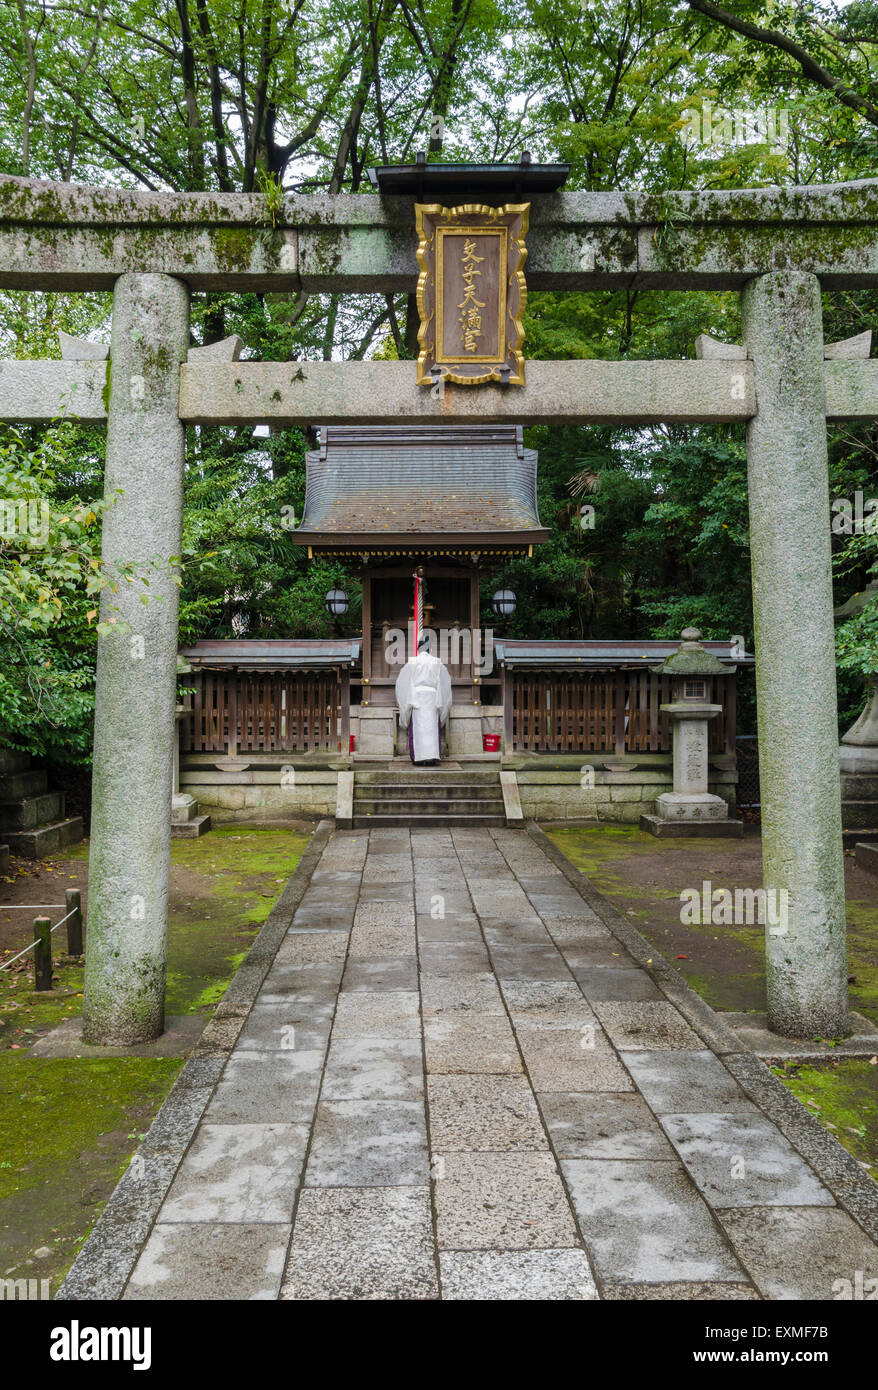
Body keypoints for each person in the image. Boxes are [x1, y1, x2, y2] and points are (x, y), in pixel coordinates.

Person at [395, 634, 452, 765]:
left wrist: (407, 699)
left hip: (417, 696)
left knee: (418, 727)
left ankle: (418, 758)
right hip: (433, 696)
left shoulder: (413, 662)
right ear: (429, 649)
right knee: (432, 728)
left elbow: (402, 682)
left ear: (418, 649)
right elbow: (445, 682)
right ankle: (432, 758)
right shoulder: (437, 662)